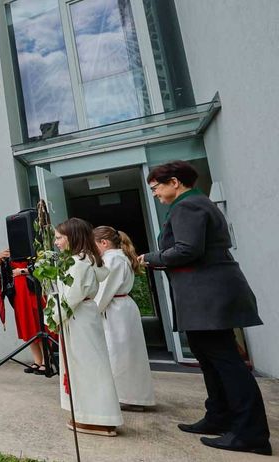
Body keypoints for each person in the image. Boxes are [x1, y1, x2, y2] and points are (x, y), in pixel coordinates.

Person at [140, 160, 269, 455]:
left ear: (174, 182)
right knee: (209, 359)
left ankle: (250, 433)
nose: (155, 194)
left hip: (208, 296)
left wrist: (150, 257)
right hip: (204, 296)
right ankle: (219, 417)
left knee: (226, 362)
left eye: (156, 187)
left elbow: (188, 249)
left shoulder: (189, 206)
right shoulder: (193, 204)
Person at [51, 218, 122, 437]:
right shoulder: (87, 260)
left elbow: (70, 297)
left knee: (88, 366)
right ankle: (90, 414)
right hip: (83, 316)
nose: (56, 242)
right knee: (87, 365)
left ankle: (99, 418)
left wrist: (52, 317)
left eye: (59, 237)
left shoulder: (77, 263)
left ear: (73, 237)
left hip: (78, 317)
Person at [93, 226, 156, 411]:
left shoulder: (112, 259)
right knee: (127, 352)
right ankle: (133, 396)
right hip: (121, 307)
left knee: (119, 353)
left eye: (94, 244)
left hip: (115, 309)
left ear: (103, 243)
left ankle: (126, 396)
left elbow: (104, 290)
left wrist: (92, 311)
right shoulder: (119, 257)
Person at [0, 249, 49, 375]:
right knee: (27, 326)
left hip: (33, 291)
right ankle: (37, 361)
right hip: (18, 294)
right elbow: (2, 273)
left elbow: (45, 268)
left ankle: (46, 361)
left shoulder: (35, 248)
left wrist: (23, 271)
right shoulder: (10, 251)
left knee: (38, 324)